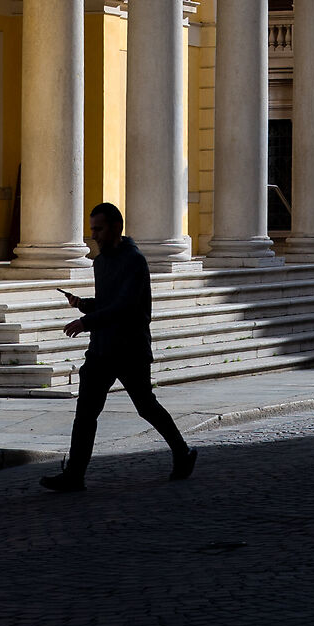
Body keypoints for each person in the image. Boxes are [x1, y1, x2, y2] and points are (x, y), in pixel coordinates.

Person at [40, 202, 197, 493]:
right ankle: (74, 475)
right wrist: (82, 304)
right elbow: (107, 303)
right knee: (86, 413)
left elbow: (126, 307)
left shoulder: (134, 261)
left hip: (130, 349)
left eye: (98, 229)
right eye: (92, 230)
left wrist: (86, 322)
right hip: (101, 349)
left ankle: (182, 452)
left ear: (115, 228)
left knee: (146, 406)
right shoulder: (101, 262)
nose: (94, 236)